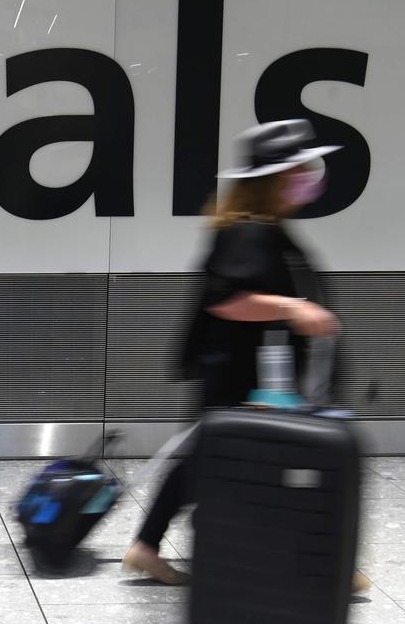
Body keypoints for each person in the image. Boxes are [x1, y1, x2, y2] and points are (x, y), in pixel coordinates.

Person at [121, 119, 345, 585]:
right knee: (220, 457)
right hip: (237, 370)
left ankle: (151, 545)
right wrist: (293, 308)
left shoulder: (268, 227)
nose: (310, 176)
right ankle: (313, 556)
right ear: (275, 179)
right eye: (300, 168)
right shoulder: (248, 231)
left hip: (254, 370)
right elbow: (223, 299)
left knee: (214, 458)